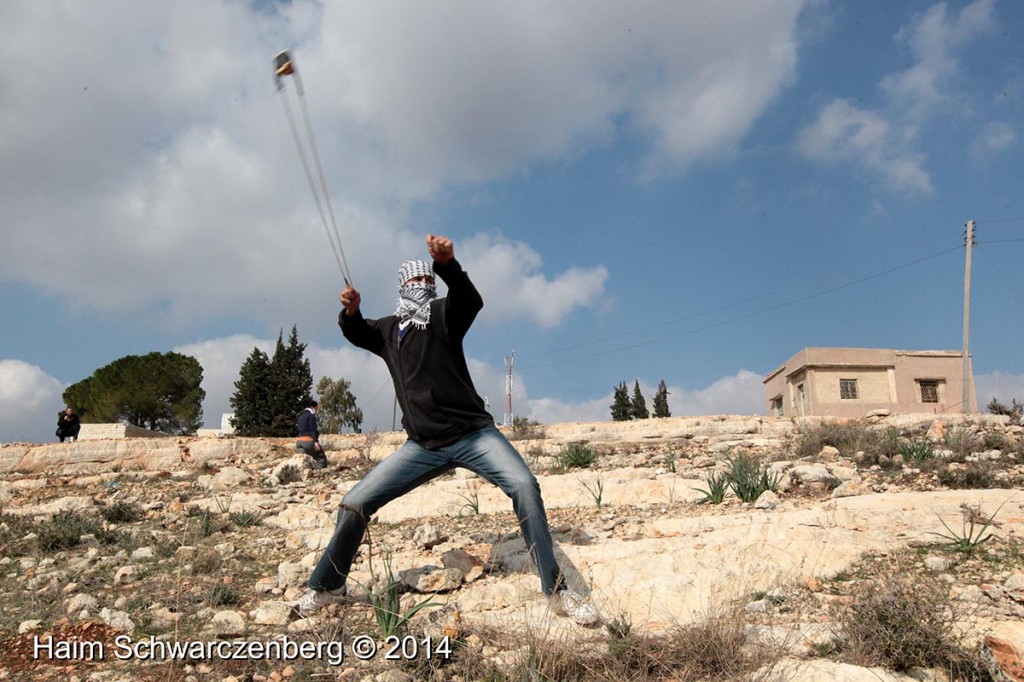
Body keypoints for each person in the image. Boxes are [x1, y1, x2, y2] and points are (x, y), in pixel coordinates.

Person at [292, 234, 599, 625]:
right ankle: (328, 586)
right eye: (415, 282)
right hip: (422, 446)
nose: (422, 287)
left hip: (473, 435)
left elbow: (470, 300)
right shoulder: (388, 331)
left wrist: (448, 264)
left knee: (524, 486)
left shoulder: (442, 315)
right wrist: (351, 311)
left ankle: (557, 593)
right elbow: (356, 332)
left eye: (427, 281)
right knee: (355, 502)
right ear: (402, 286)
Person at [296, 399, 327, 469]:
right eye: (316, 408)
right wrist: (316, 442)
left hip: (299, 442)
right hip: (308, 441)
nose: (317, 410)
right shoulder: (311, 416)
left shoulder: (301, 416)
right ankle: (319, 473)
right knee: (321, 458)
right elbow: (312, 430)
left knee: (303, 461)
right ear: (312, 407)